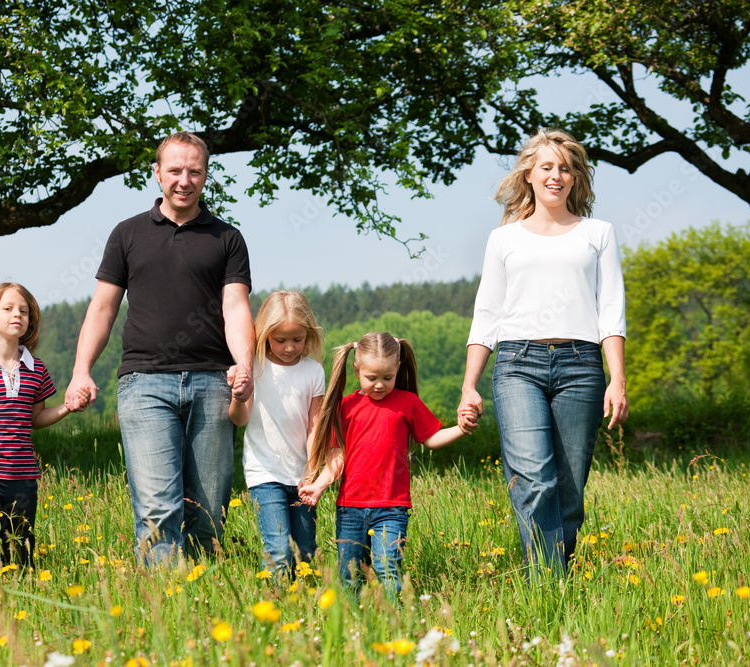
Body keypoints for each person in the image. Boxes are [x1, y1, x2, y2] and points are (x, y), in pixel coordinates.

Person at [65, 131, 255, 565]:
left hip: (213, 382)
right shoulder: (127, 234)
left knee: (208, 514)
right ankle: (160, 610)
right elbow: (102, 309)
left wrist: (244, 366)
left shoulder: (227, 238)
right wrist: (81, 370)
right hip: (144, 383)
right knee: (157, 511)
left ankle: (207, 610)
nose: (184, 180)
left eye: (194, 171)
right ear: (157, 174)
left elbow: (236, 308)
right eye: (175, 170)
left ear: (206, 176)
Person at [458, 128, 629, 581]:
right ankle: (547, 586)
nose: (557, 176)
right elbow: (487, 313)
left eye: (566, 168)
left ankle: (559, 577)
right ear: (529, 174)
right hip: (517, 366)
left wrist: (618, 379)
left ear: (576, 179)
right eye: (547, 167)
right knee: (536, 478)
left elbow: (611, 309)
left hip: (582, 366)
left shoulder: (598, 233)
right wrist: (469, 385)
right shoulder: (505, 239)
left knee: (570, 490)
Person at [299, 332, 476, 596]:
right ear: (357, 370)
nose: (380, 385)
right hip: (351, 507)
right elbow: (337, 458)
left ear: (398, 369)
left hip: (393, 507)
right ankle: (350, 627)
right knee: (349, 575)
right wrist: (319, 486)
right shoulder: (346, 407)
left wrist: (461, 428)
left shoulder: (408, 403)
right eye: (372, 378)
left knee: (388, 567)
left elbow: (430, 438)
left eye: (387, 378)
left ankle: (399, 622)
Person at [0, 282, 86, 581]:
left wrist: (67, 408)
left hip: (23, 478)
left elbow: (36, 417)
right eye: (7, 309)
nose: (17, 315)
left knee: (19, 555)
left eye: (23, 311)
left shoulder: (37, 370)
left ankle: (18, 607)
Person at [229, 290, 325, 577]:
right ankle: (275, 605)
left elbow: (315, 425)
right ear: (264, 334)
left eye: (297, 339)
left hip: (301, 474)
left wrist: (313, 468)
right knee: (279, 550)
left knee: (306, 550)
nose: (289, 347)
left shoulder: (314, 371)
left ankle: (304, 606)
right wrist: (236, 396)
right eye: (280, 340)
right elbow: (239, 419)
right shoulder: (254, 368)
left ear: (308, 334)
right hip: (264, 473)